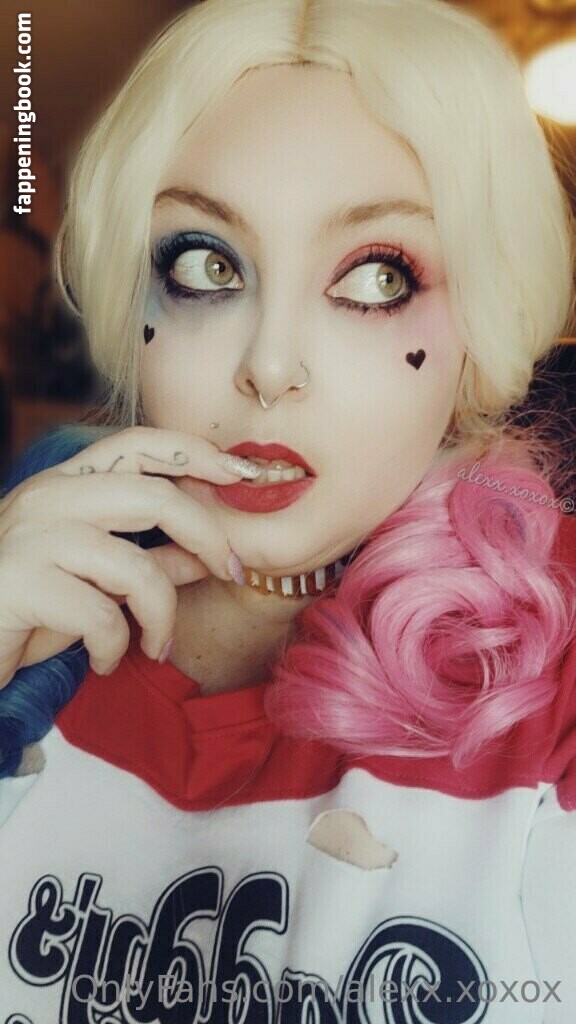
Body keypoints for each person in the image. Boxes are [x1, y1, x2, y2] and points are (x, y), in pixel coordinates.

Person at [0, 0, 575, 1019]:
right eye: (205, 265)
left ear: (479, 327)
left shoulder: (554, 665)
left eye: (377, 277)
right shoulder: (32, 611)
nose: (269, 367)